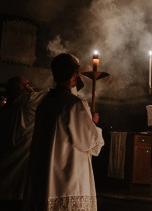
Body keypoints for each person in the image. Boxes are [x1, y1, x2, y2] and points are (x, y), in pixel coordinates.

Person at [24, 53, 104, 210]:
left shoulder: (45, 103)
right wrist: (93, 124)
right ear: (75, 74)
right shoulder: (75, 104)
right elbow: (89, 143)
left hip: (46, 172)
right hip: (69, 174)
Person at [0, 76, 46, 210]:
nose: (32, 87)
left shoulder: (5, 110)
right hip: (17, 181)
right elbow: (55, 95)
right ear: (22, 88)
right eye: (29, 84)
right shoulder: (27, 101)